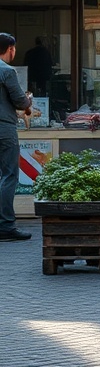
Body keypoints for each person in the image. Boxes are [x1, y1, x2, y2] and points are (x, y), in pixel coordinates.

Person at [0, 33, 33, 241]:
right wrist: (28, 101)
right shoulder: (7, 71)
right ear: (11, 48)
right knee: (9, 175)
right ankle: (5, 226)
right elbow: (20, 102)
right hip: (4, 129)